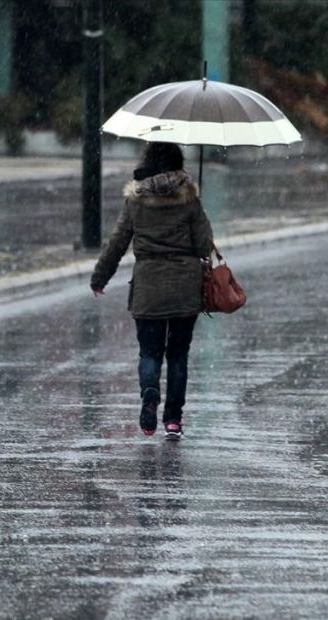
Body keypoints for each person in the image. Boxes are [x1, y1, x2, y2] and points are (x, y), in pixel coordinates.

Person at [90, 142, 214, 440]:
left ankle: (149, 393)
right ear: (177, 163)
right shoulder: (189, 197)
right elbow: (203, 245)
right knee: (179, 355)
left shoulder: (136, 199)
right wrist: (198, 209)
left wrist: (100, 278)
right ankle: (173, 420)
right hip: (185, 287)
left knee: (150, 352)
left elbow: (117, 242)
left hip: (148, 287)